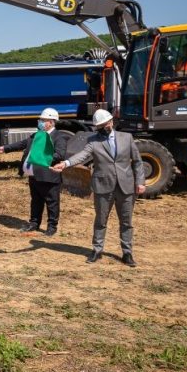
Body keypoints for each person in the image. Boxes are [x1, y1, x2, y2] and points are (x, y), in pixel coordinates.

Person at [52, 109, 146, 267]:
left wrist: (140, 182)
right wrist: (66, 163)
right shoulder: (93, 142)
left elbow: (137, 161)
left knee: (126, 222)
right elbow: (82, 155)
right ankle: (97, 250)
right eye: (99, 126)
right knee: (101, 220)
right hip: (103, 186)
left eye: (104, 124)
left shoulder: (127, 138)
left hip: (126, 186)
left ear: (111, 122)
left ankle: (127, 253)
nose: (102, 128)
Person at [0, 108, 68, 236]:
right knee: (36, 201)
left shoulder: (59, 136)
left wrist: (41, 157)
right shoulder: (36, 135)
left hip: (49, 176)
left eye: (43, 120)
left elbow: (59, 154)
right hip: (34, 175)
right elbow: (22, 144)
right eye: (40, 120)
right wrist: (5, 148)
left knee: (52, 202)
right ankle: (34, 223)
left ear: (51, 122)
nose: (40, 122)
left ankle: (52, 227)